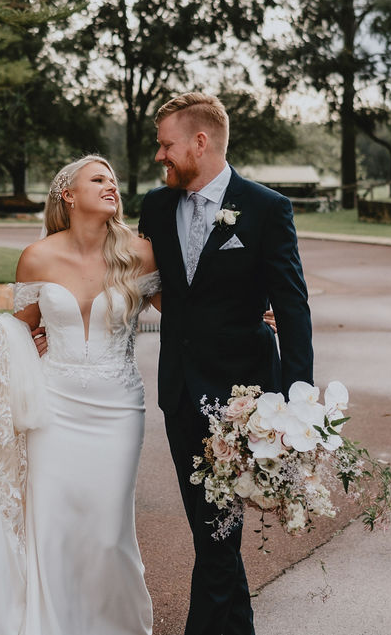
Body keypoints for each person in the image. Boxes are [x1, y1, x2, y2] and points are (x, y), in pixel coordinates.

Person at [0, 154, 159, 635]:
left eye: (114, 179)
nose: (111, 185)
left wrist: (245, 320)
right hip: (55, 406)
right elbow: (20, 328)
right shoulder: (38, 257)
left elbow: (186, 315)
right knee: (52, 525)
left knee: (108, 531)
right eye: (98, 179)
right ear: (68, 195)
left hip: (119, 407)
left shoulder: (140, 251)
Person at [138, 92, 314, 635]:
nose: (160, 156)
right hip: (180, 393)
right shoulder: (156, 206)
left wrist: (295, 400)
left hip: (244, 399)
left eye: (167, 144)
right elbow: (144, 284)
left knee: (218, 534)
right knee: (209, 528)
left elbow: (291, 305)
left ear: (201, 140)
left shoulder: (265, 208)